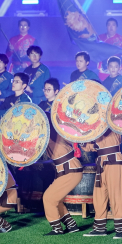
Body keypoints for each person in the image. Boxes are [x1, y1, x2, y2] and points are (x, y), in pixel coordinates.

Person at [40, 96, 83, 236]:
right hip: (65, 169)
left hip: (70, 169)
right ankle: (71, 225)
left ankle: (57, 228)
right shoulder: (46, 134)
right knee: (55, 199)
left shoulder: (54, 131)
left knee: (48, 198)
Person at [82, 128, 122, 239]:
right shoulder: (95, 126)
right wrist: (80, 138)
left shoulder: (111, 122)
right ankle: (99, 228)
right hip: (101, 162)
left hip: (114, 160)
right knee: (99, 195)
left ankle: (121, 229)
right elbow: (89, 147)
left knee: (116, 195)